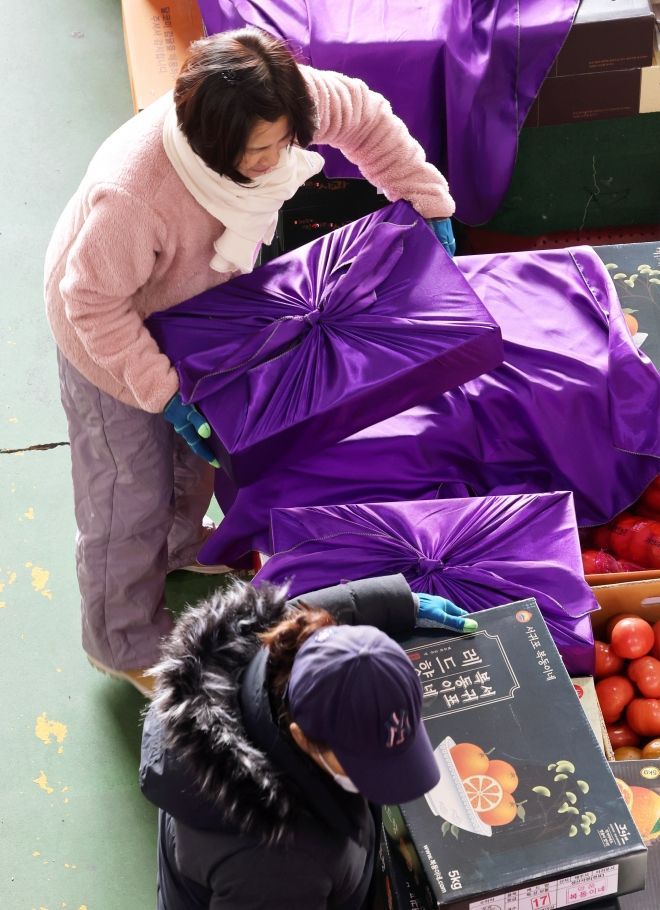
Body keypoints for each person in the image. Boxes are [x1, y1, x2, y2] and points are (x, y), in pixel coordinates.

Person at [44, 26, 456, 697]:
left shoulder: (279, 101)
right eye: (254, 153)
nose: (273, 161)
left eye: (281, 143)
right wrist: (162, 391)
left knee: (196, 463)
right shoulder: (136, 193)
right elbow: (91, 304)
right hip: (108, 330)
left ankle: (178, 546)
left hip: (199, 308)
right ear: (210, 144)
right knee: (126, 494)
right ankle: (118, 639)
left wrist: (424, 198)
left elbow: (369, 120)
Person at [140, 574, 477, 909]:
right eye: (364, 763)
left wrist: (395, 602)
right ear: (301, 736)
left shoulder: (250, 656)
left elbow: (310, 632)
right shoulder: (280, 867)